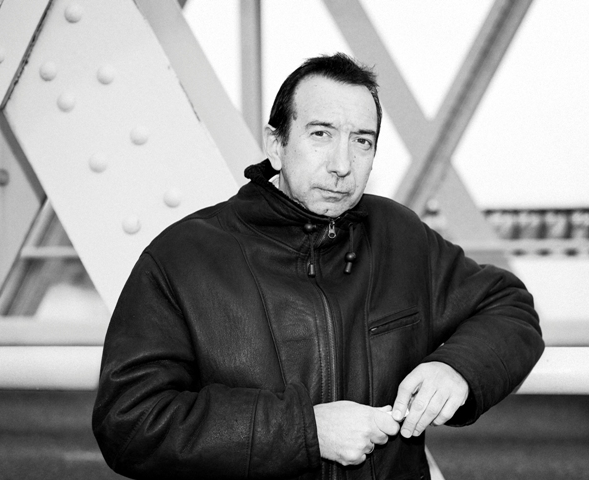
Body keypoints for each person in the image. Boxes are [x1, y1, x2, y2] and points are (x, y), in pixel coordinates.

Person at [93, 53, 544, 479]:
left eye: (362, 141)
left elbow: (509, 306)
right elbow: (128, 421)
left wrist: (457, 368)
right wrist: (306, 431)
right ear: (276, 145)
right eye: (321, 134)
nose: (342, 165)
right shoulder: (182, 257)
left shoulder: (399, 236)